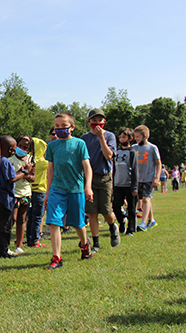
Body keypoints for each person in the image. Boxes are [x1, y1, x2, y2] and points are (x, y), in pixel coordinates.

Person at [43, 112, 93, 269]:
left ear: (72, 127)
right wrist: (47, 192)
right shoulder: (52, 146)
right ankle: (57, 257)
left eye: (63, 126)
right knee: (53, 221)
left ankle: (84, 245)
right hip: (57, 190)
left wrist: (88, 186)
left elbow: (87, 168)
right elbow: (50, 171)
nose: (59, 129)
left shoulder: (79, 144)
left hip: (75, 190)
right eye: (57, 126)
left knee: (78, 224)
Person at [81, 108, 119, 252]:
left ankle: (112, 225)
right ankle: (96, 243)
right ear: (89, 121)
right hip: (89, 178)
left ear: (104, 121)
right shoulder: (84, 139)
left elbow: (108, 156)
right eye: (94, 120)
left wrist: (101, 137)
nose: (97, 123)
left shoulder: (109, 136)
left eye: (100, 120)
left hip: (105, 178)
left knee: (107, 211)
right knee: (92, 212)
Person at [0, 136, 27, 258]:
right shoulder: (5, 161)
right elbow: (11, 179)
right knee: (5, 226)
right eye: (15, 149)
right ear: (10, 150)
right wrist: (24, 172)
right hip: (5, 198)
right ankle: (2, 251)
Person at [132, 125, 161, 232]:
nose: (136, 139)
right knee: (144, 199)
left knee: (145, 199)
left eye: (138, 137)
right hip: (138, 178)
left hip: (149, 178)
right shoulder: (134, 148)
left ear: (144, 136)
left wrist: (157, 177)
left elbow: (158, 163)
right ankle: (151, 220)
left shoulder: (152, 148)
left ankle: (143, 223)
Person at [9, 135, 34, 255]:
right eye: (20, 146)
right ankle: (5, 243)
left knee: (22, 219)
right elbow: (11, 177)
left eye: (25, 147)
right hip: (13, 193)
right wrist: (23, 172)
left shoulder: (30, 159)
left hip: (25, 193)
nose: (22, 149)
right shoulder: (10, 159)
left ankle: (19, 245)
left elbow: (33, 178)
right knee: (12, 219)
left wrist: (27, 174)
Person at [112, 128, 138, 237]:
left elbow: (135, 169)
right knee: (115, 206)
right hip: (118, 184)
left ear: (130, 138)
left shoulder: (132, 152)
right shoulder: (116, 151)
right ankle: (121, 220)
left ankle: (131, 229)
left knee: (131, 208)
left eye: (124, 137)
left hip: (129, 184)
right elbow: (113, 168)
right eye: (120, 137)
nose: (121, 139)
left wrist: (135, 187)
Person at [26, 137, 48, 248]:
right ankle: (35, 240)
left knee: (29, 216)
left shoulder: (28, 159)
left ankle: (28, 238)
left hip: (29, 191)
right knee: (38, 216)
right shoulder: (43, 162)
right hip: (39, 191)